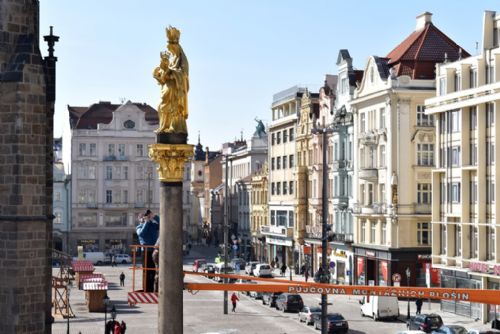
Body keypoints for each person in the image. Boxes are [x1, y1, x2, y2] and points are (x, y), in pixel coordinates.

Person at [136, 209, 159, 292]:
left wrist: (154, 217)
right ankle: (146, 289)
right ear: (140, 219)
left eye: (146, 216)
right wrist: (146, 222)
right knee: (146, 271)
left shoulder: (153, 225)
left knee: (154, 271)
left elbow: (161, 226)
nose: (145, 218)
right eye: (143, 217)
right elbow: (142, 233)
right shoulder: (139, 227)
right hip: (145, 251)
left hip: (154, 251)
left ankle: (153, 288)